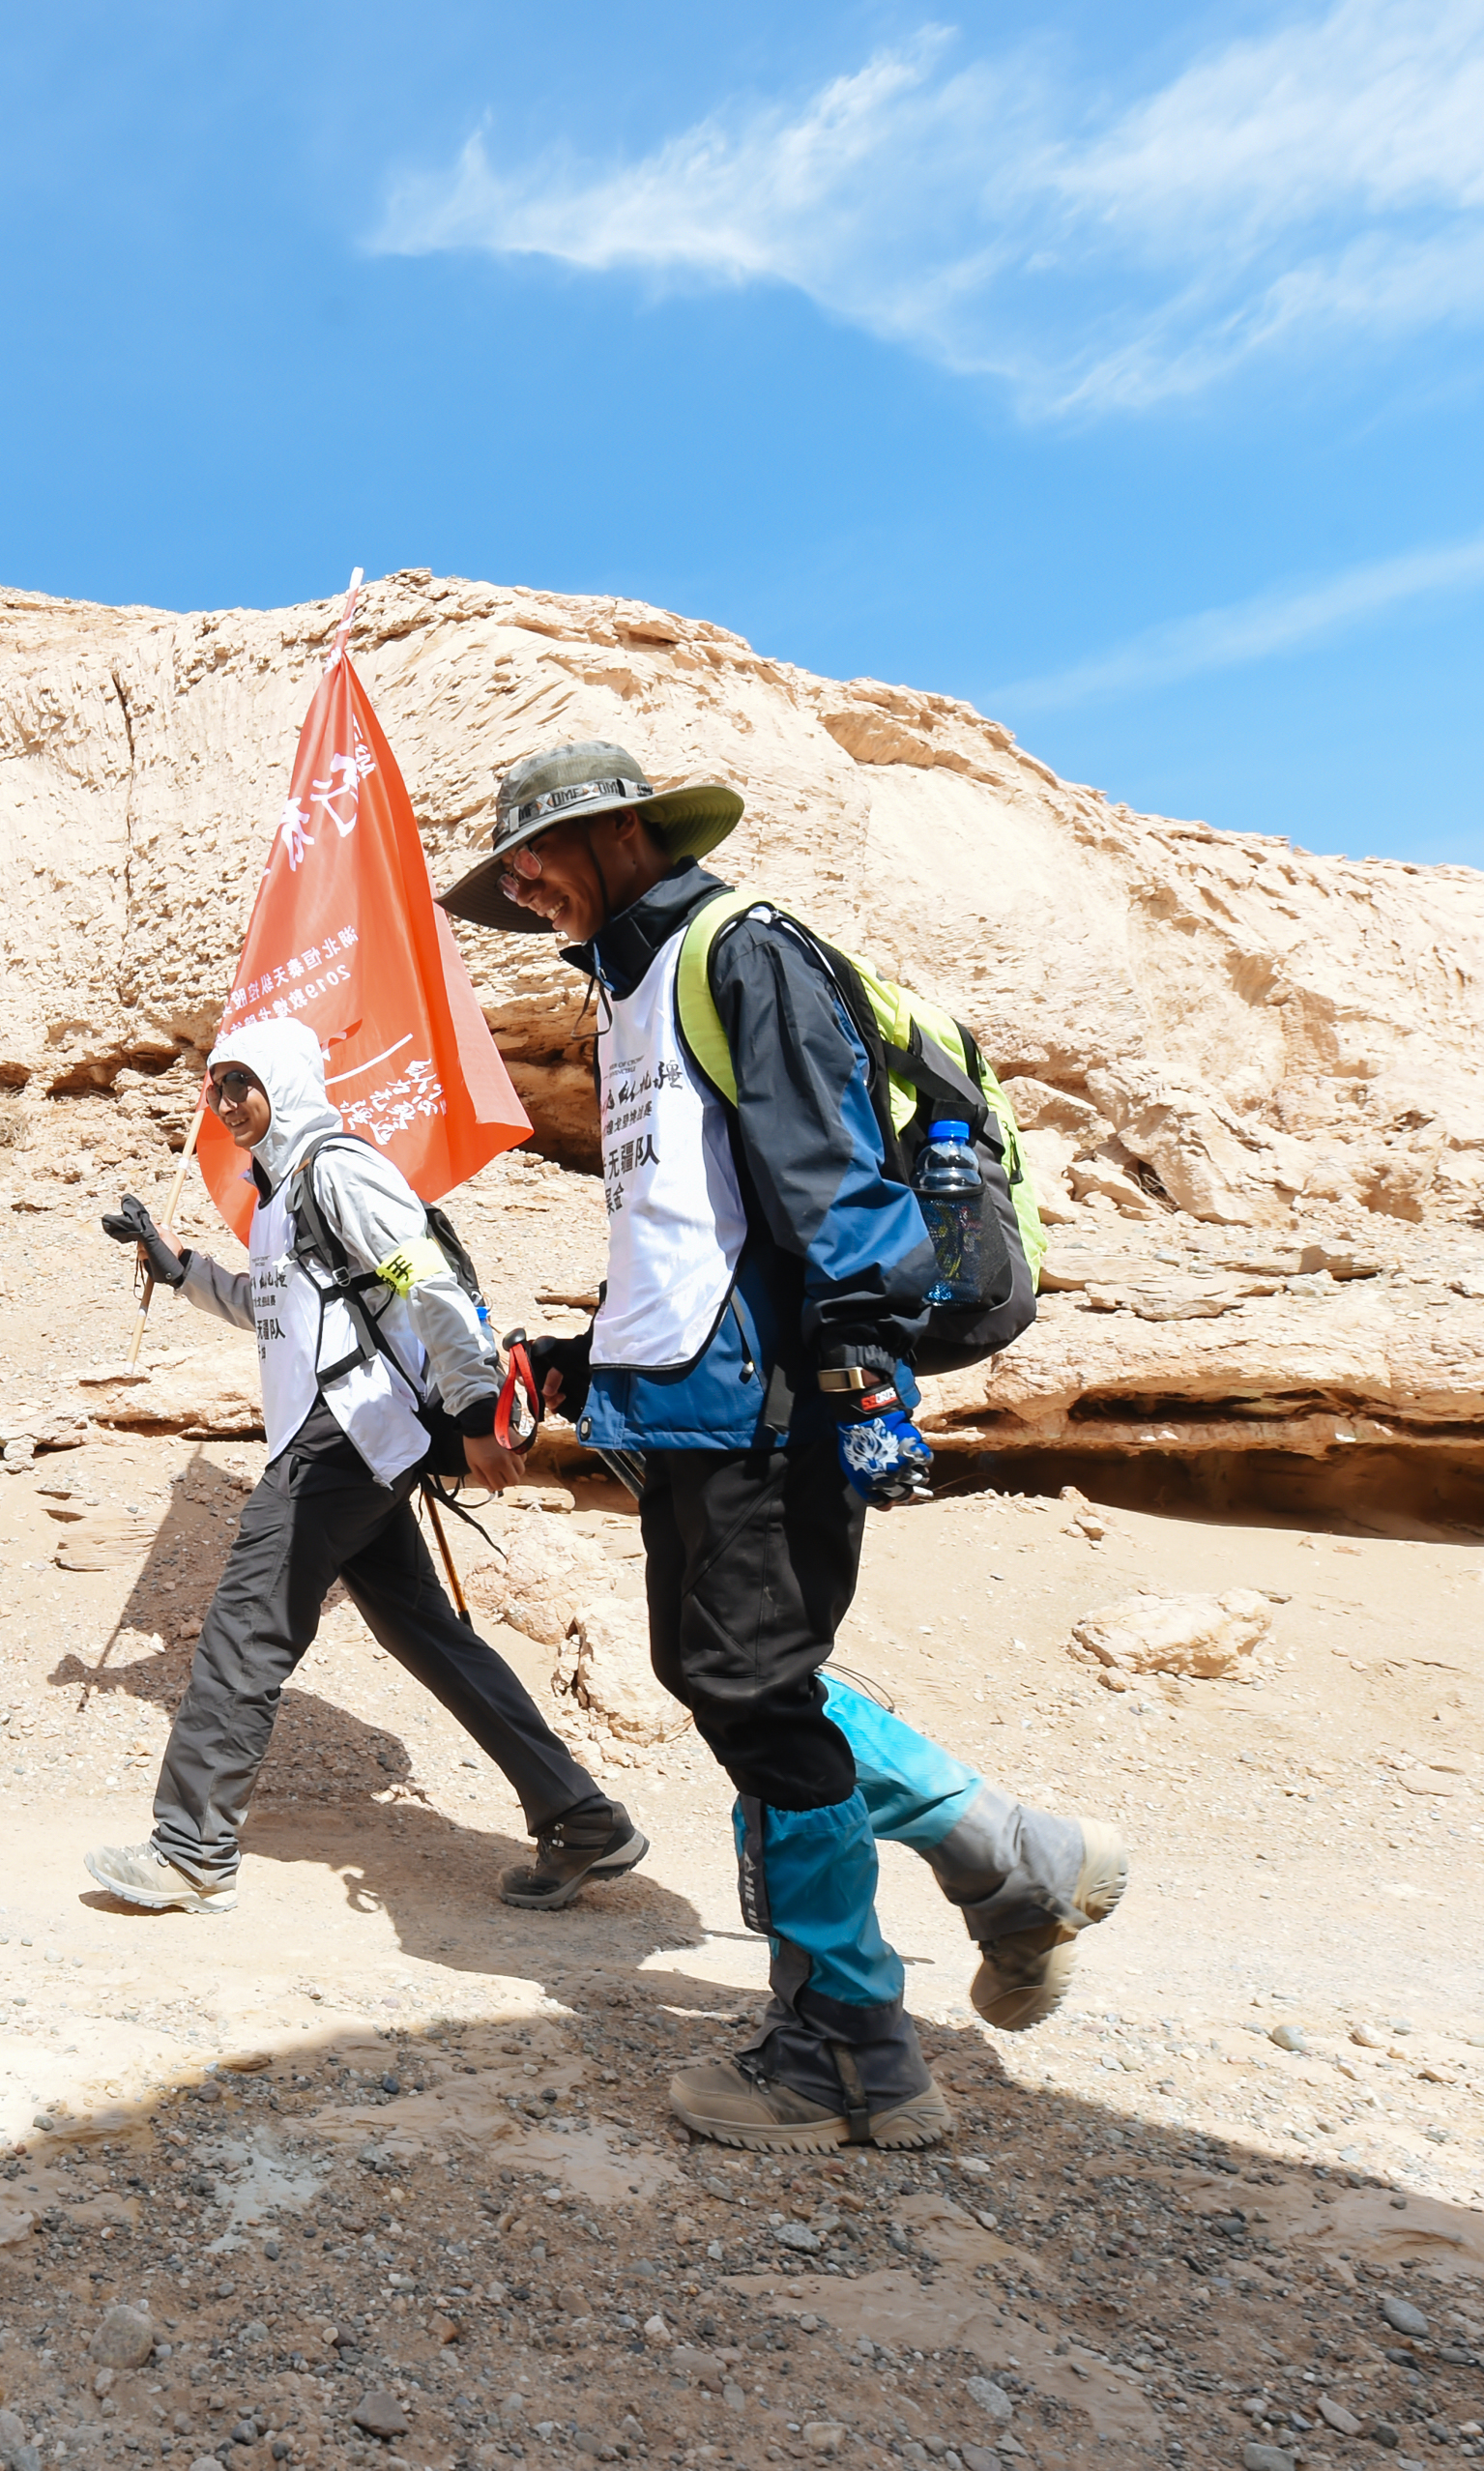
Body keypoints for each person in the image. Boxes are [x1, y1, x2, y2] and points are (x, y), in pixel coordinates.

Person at [438, 740, 1127, 2151]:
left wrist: (858, 1361)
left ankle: (848, 2045)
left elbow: (828, 1181)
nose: (523, 887)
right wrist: (582, 1361)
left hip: (771, 1402)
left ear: (622, 833)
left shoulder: (738, 951)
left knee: (753, 1693)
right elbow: (694, 1238)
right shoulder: (638, 986)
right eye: (511, 873)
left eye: (537, 856)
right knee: (732, 1676)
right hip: (698, 1395)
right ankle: (1007, 1861)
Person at [83, 1016, 645, 1918]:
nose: (226, 1103)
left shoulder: (337, 1168)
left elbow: (425, 1282)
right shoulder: (279, 1194)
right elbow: (270, 1309)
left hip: (340, 1439)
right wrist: (177, 1265)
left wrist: (471, 1409)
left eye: (243, 1082)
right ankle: (580, 1817)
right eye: (217, 1086)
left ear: (288, 1082)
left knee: (244, 1628)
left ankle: (190, 1850)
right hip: (353, 1439)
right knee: (424, 1630)